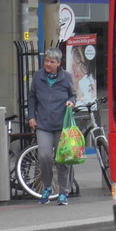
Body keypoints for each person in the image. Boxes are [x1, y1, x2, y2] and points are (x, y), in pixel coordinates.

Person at [27, 48, 77, 205]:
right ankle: (47, 186)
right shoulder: (38, 77)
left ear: (58, 63)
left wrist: (71, 102)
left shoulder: (66, 77)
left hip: (62, 124)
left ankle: (63, 192)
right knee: (44, 156)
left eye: (51, 62)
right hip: (43, 124)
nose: (48, 64)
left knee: (62, 159)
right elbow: (32, 98)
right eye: (46, 61)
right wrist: (31, 116)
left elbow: (73, 95)